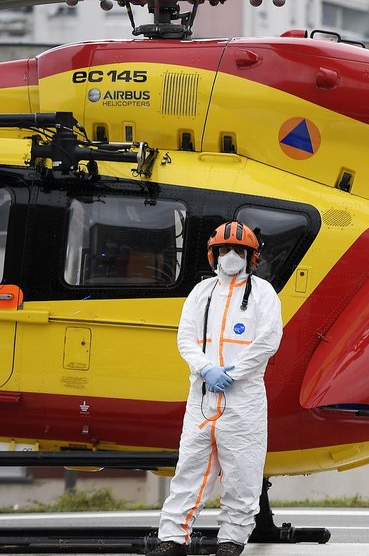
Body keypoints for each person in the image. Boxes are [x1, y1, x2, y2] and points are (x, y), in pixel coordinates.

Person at [148, 221, 283, 556]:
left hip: (243, 398)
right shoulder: (201, 293)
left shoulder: (264, 294)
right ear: (214, 254)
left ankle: (232, 539)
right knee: (190, 467)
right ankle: (173, 538)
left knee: (242, 470)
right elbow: (185, 337)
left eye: (239, 250)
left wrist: (233, 373)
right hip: (204, 395)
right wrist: (206, 368)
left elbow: (268, 341)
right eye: (225, 249)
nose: (231, 256)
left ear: (252, 257)